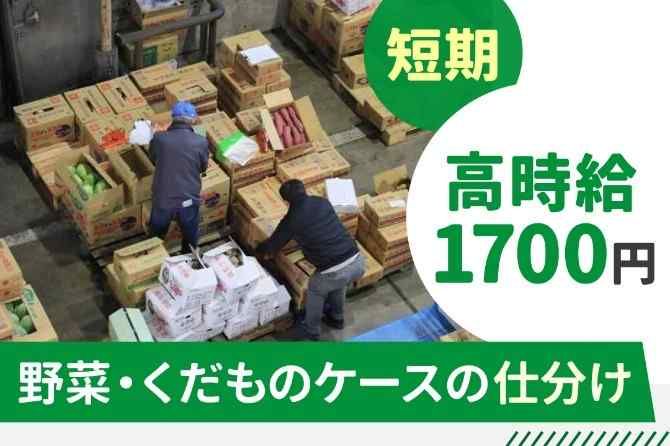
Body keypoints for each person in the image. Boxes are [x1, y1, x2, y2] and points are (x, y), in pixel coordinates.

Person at [257, 179, 365, 341]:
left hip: (334, 269)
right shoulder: (322, 202)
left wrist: (259, 248)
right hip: (357, 261)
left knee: (316, 286)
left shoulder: (292, 219)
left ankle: (311, 330)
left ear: (286, 201)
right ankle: (337, 318)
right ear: (304, 190)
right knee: (337, 282)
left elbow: (273, 245)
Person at [148, 101, 209, 255]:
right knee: (190, 234)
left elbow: (153, 158)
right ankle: (189, 258)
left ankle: (152, 259)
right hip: (188, 198)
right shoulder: (201, 141)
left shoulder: (159, 138)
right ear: (193, 120)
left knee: (155, 236)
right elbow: (203, 167)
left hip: (163, 198)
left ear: (173, 118)